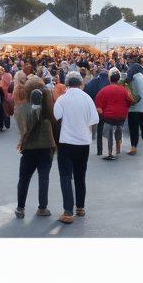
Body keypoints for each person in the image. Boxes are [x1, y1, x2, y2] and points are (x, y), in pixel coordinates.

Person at [53, 71, 99, 223]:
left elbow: (56, 116)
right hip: (83, 142)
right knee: (80, 175)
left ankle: (67, 211)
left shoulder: (62, 99)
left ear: (66, 84)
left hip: (66, 141)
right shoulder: (87, 99)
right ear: (81, 83)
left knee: (65, 176)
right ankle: (80, 207)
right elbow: (94, 119)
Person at [14, 79, 56, 218]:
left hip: (28, 148)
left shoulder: (20, 109)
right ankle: (42, 208)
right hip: (46, 146)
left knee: (24, 178)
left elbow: (22, 129)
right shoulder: (48, 108)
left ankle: (20, 207)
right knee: (44, 178)